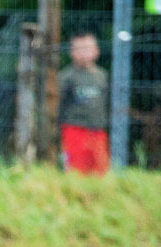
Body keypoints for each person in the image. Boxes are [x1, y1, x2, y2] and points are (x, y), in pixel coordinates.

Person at [58, 32, 110, 176]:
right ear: (71, 52)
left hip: (97, 130)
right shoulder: (66, 76)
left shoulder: (102, 76)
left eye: (88, 48)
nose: (84, 53)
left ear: (96, 51)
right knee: (75, 170)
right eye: (79, 48)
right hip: (74, 129)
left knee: (100, 170)